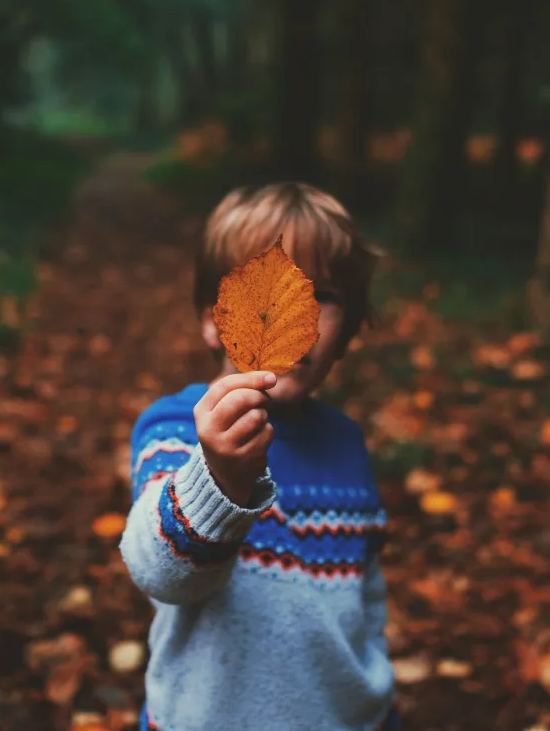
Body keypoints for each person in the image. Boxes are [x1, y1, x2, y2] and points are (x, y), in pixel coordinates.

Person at [119, 182, 399, 731]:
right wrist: (219, 478)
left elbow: (365, 602)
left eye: (323, 297)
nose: (294, 315)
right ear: (212, 318)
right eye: (261, 291)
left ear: (348, 332)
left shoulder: (346, 443)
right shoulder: (178, 429)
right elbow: (163, 574)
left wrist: (377, 702)